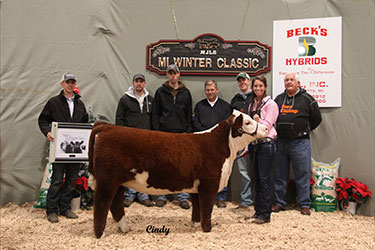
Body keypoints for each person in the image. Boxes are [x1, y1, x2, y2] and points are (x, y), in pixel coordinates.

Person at [38, 73, 88, 223]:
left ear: (75, 84)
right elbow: (43, 119)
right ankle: (52, 210)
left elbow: (85, 123)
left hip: (75, 151)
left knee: (72, 180)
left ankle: (65, 208)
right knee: (57, 180)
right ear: (62, 84)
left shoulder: (80, 104)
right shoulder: (53, 102)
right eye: (68, 82)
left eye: (73, 82)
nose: (70, 85)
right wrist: (47, 132)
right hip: (60, 149)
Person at [272, 72, 322, 215]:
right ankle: (279, 203)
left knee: (303, 174)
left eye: (291, 80)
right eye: (286, 80)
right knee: (280, 174)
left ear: (297, 83)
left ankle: (304, 204)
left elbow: (316, 118)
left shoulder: (307, 99)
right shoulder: (279, 99)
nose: (289, 82)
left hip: (300, 143)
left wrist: (304, 129)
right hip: (281, 141)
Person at [151, 64, 192, 209]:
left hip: (181, 134)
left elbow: (188, 115)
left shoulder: (186, 93)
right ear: (167, 75)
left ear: (179, 74)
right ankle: (161, 195)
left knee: (182, 167)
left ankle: (182, 196)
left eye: (175, 73)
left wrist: (187, 133)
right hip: (164, 133)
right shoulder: (160, 92)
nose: (173, 76)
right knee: (162, 165)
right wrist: (157, 132)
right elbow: (155, 114)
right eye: (170, 73)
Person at [115, 73, 154, 208]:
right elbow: (119, 119)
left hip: (146, 139)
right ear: (133, 83)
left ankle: (144, 195)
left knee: (144, 168)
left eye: (141, 81)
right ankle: (129, 196)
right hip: (130, 140)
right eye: (136, 81)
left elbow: (153, 119)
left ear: (144, 83)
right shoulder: (125, 100)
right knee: (130, 168)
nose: (139, 84)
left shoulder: (150, 99)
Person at [192, 80, 232, 208]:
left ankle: (220, 197)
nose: (210, 92)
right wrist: (206, 134)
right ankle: (204, 196)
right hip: (202, 144)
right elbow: (195, 123)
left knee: (221, 171)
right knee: (203, 171)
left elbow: (227, 126)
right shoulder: (199, 106)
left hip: (220, 145)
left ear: (217, 90)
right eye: (208, 90)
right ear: (205, 91)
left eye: (212, 90)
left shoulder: (226, 106)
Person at [244, 76, 279, 224]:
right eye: (255, 86)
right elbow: (250, 130)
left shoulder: (271, 104)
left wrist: (258, 121)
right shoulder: (252, 104)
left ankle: (265, 214)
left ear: (265, 87)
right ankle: (258, 211)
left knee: (265, 179)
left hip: (266, 144)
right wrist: (247, 145)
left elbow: (267, 126)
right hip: (254, 145)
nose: (258, 89)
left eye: (260, 86)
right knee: (256, 179)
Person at [230, 72, 254, 209]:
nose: (242, 83)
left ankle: (261, 200)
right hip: (242, 141)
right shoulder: (235, 100)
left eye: (244, 80)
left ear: (249, 81)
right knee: (244, 172)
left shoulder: (256, 97)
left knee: (259, 171)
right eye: (239, 81)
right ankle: (246, 201)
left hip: (256, 140)